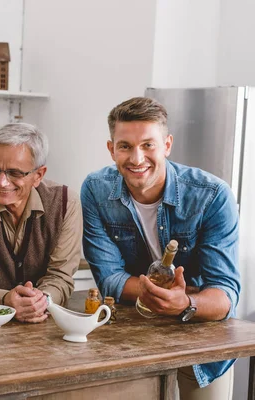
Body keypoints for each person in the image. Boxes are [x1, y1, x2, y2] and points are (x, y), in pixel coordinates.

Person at [81, 97, 240, 399]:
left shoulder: (213, 195)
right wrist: (169, 294)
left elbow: (225, 295)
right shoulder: (95, 189)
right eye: (125, 146)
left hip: (201, 340)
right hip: (129, 340)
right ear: (111, 149)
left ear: (167, 145)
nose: (137, 158)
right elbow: (109, 280)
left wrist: (185, 303)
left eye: (148, 145)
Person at [0, 123, 82, 323]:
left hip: (44, 325)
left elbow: (60, 277)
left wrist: (40, 301)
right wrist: (4, 299)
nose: (2, 182)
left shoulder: (65, 202)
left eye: (15, 173)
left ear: (38, 175)